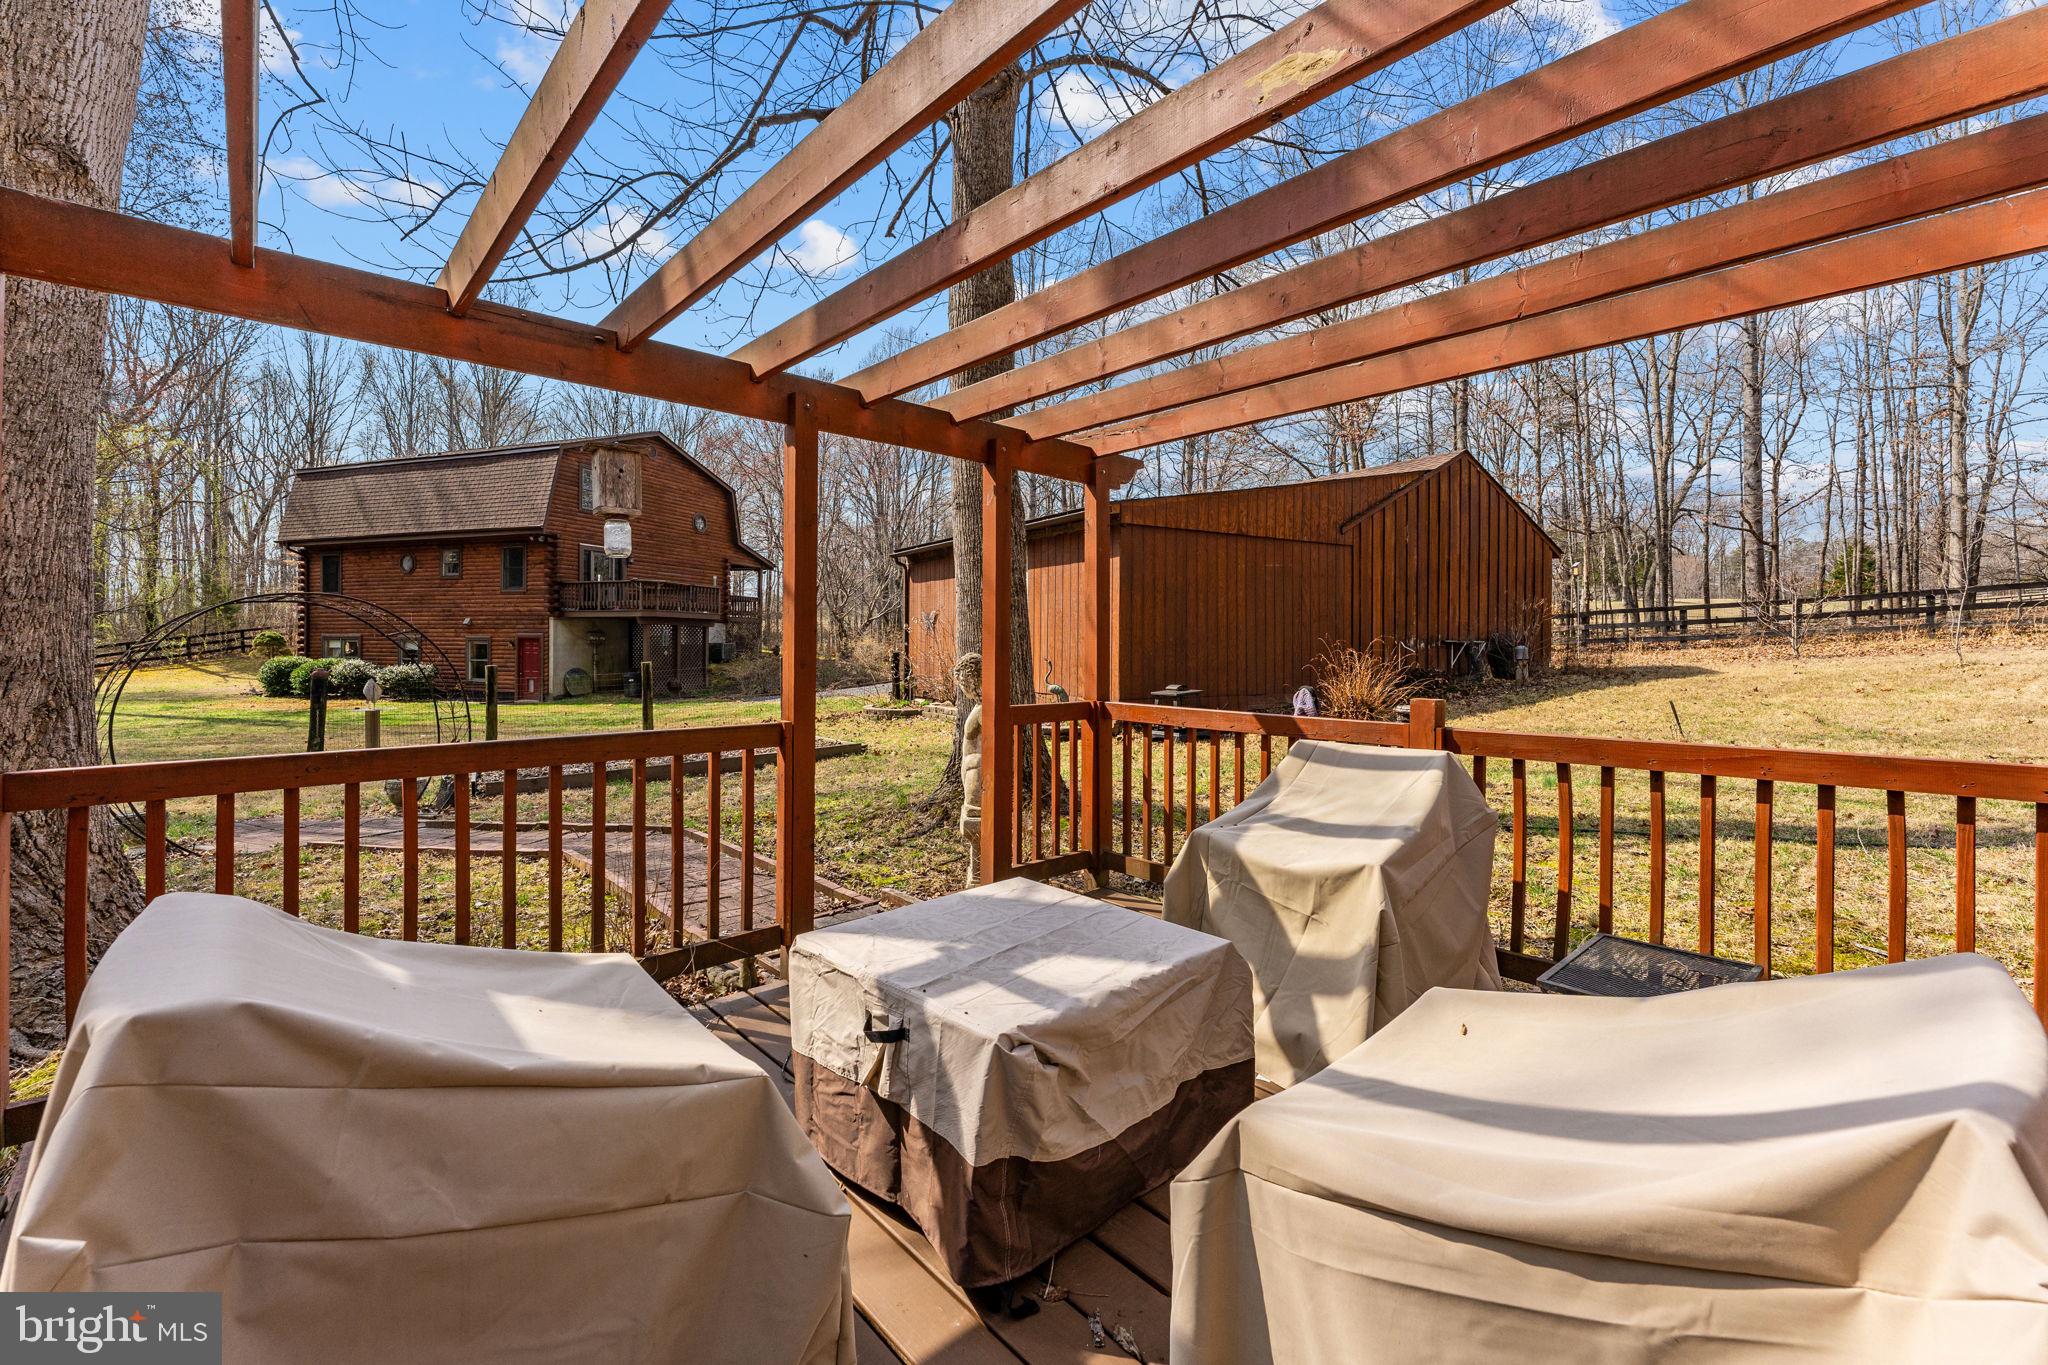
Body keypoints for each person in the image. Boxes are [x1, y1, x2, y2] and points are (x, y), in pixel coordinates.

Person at [955, 652, 983, 888]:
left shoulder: (985, 710)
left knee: (976, 820)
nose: (962, 687)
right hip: (971, 768)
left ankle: (978, 875)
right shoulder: (979, 707)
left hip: (978, 770)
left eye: (963, 682)